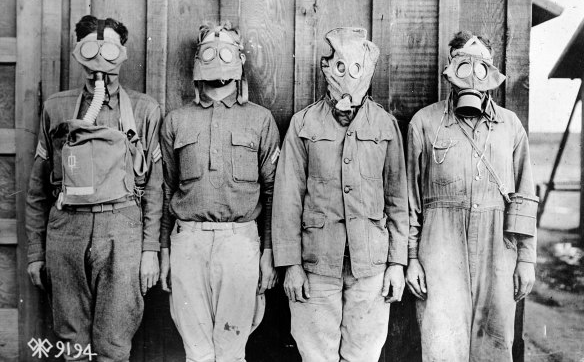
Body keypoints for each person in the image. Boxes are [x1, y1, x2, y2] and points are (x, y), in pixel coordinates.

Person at [26, 15, 163, 362]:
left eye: (109, 49)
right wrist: (35, 253)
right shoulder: (56, 108)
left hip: (122, 230)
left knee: (114, 343)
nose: (99, 62)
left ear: (123, 53)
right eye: (90, 48)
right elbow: (37, 188)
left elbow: (156, 186)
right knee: (74, 344)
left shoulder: (145, 110)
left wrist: (149, 250)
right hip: (66, 231)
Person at [272, 27, 409, 361]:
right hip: (316, 264)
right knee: (316, 355)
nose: (348, 76)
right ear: (326, 67)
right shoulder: (303, 125)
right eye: (340, 66)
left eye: (357, 67)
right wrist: (290, 265)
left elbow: (398, 199)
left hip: (371, 266)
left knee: (363, 355)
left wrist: (396, 263)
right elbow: (287, 199)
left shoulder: (384, 125)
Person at [405, 31, 537, 361]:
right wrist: (409, 258)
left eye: (481, 66)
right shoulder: (425, 123)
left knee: (494, 345)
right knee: (441, 346)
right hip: (440, 251)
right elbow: (409, 198)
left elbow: (525, 196)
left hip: (498, 251)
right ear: (450, 68)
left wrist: (526, 259)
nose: (472, 74)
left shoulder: (510, 126)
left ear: (490, 72)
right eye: (463, 62)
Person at [159, 21, 281, 362]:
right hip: (188, 243)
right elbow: (166, 187)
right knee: (196, 352)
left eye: (226, 50)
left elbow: (272, 192)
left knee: (230, 351)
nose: (217, 58)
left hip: (240, 242)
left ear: (239, 60)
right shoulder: (176, 121)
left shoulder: (260, 120)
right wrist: (165, 251)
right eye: (208, 52)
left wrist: (268, 252)